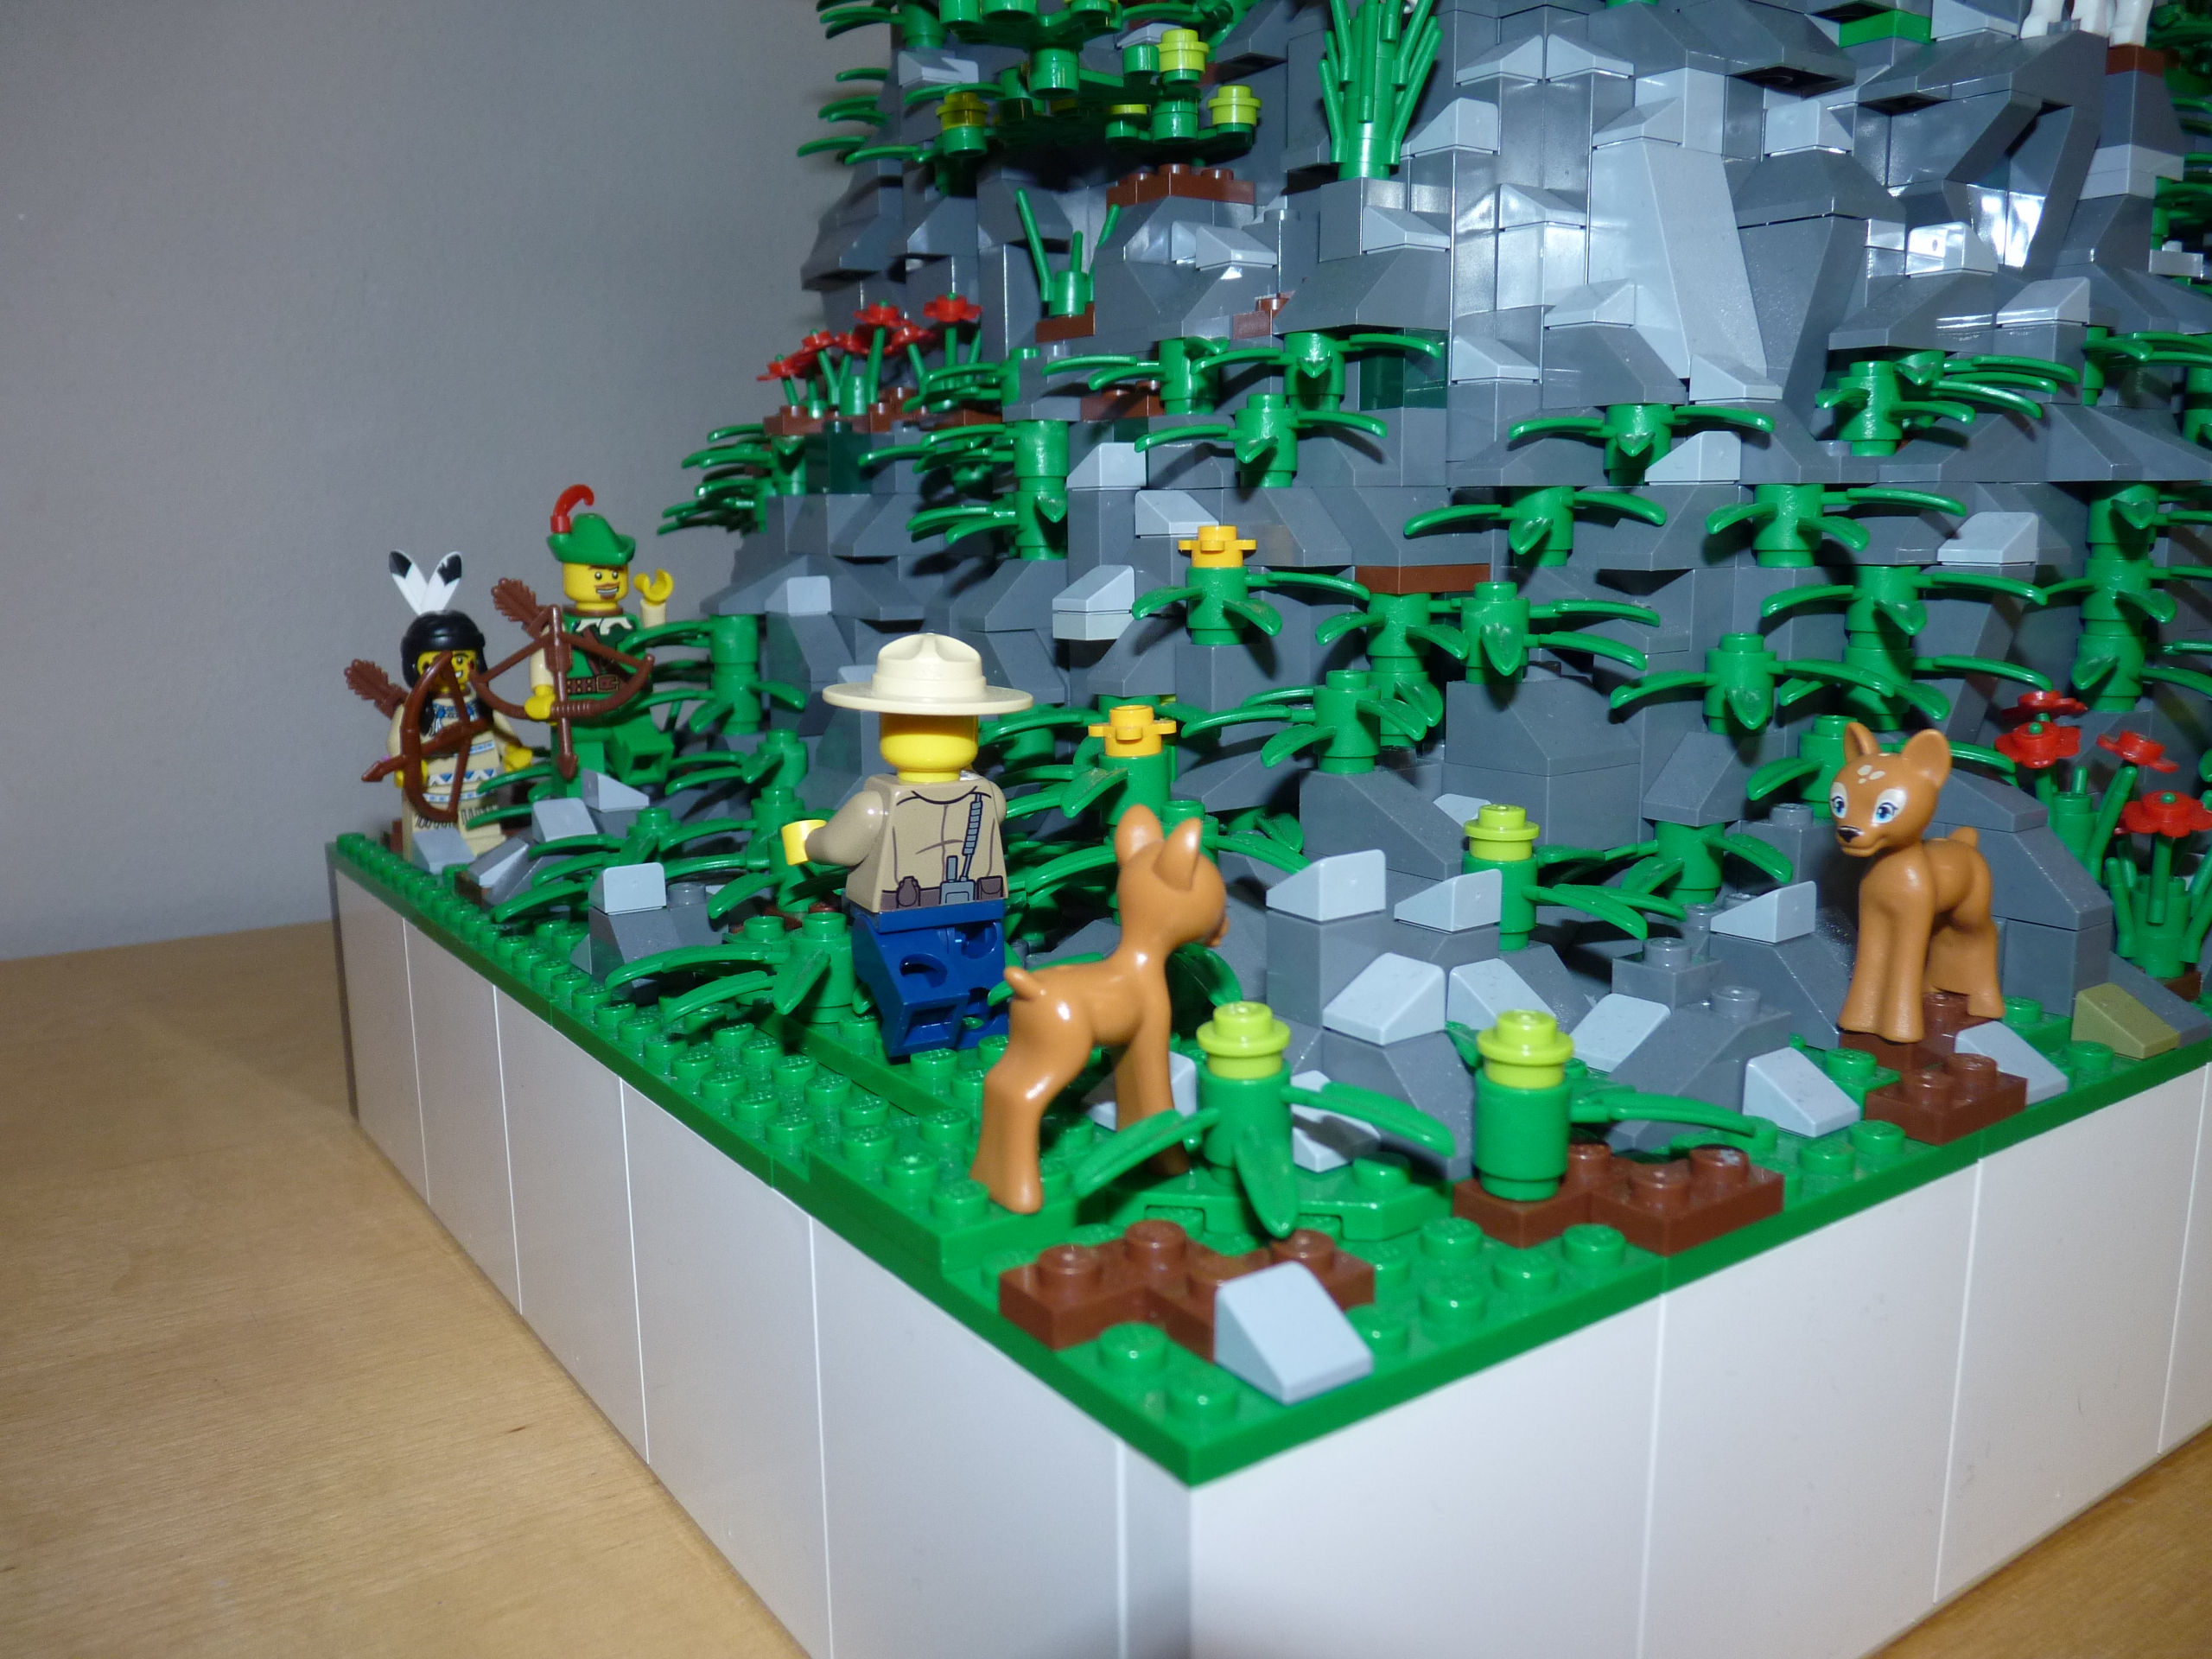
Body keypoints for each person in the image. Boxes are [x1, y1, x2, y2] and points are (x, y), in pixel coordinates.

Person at [781, 634, 1033, 1057]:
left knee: (915, 984)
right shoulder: (989, 794)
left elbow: (838, 849)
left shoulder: (875, 804)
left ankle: (923, 1038)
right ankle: (987, 1026)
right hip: (980, 913)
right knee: (983, 977)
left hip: (894, 919)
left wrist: (809, 840)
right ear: (970, 728)